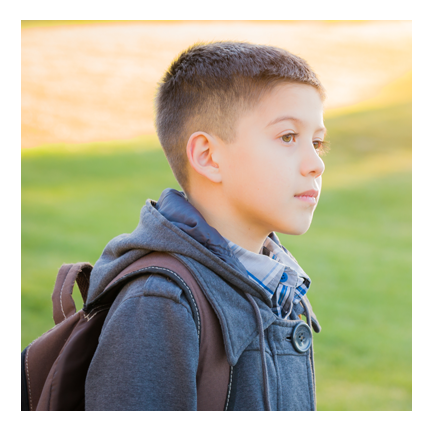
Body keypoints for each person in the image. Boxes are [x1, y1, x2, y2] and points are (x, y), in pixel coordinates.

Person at [85, 41, 328, 411]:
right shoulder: (159, 304)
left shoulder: (281, 286)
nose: (316, 164)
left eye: (317, 142)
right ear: (208, 156)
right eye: (288, 137)